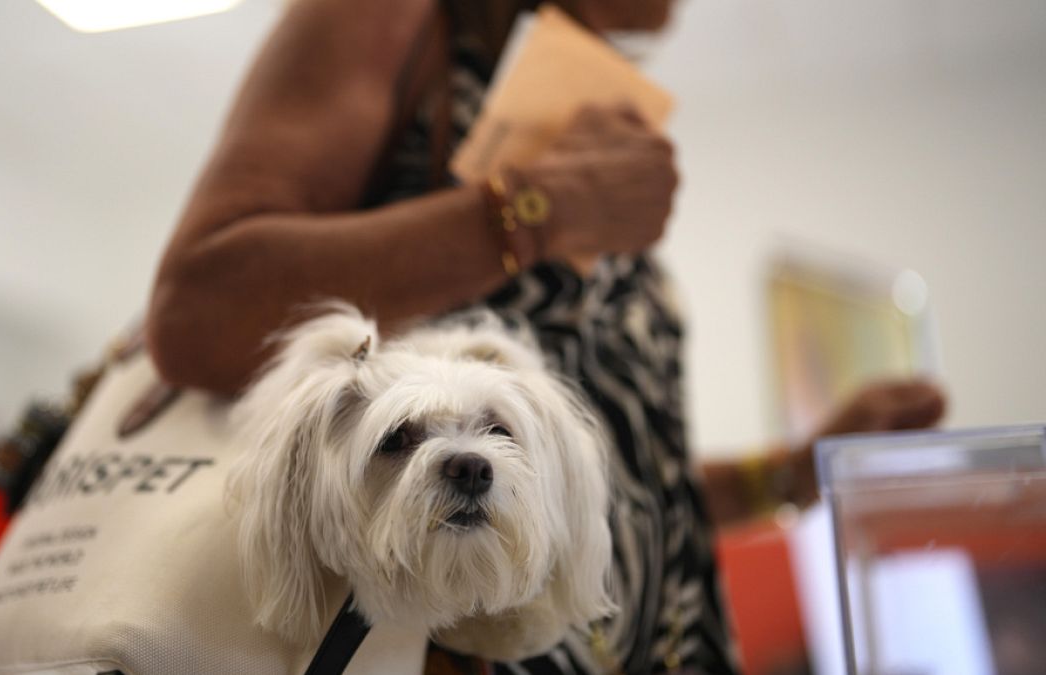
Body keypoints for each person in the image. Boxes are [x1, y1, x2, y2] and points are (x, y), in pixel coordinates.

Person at [145, 0, 945, 672]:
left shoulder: (575, 79)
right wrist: (535, 212)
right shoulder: (390, 17)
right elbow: (194, 308)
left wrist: (790, 474)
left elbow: (613, 488)